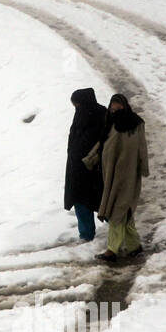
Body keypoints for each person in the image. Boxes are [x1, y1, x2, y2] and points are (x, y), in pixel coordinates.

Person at [82, 93, 150, 262]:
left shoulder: (136, 123)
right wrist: (91, 158)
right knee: (123, 211)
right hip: (111, 173)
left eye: (118, 105)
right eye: (113, 105)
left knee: (117, 211)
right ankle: (134, 246)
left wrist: (143, 168)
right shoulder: (110, 121)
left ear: (124, 105)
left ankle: (112, 250)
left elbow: (142, 146)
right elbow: (102, 142)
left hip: (127, 174)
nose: (115, 108)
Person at [64, 88, 106, 242]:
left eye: (77, 105)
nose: (76, 108)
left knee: (101, 199)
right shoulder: (86, 114)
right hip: (79, 169)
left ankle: (119, 230)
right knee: (81, 200)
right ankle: (86, 234)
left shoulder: (98, 115)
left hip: (94, 167)